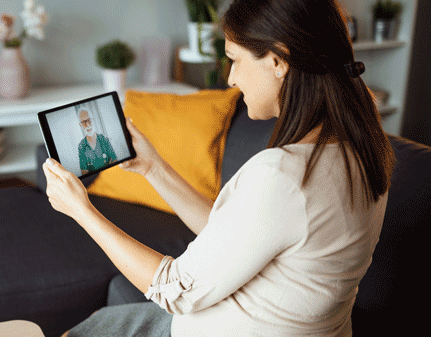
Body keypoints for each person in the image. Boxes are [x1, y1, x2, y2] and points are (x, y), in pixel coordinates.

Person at [42, 0, 395, 335]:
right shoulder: (366, 147)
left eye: (235, 60)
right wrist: (154, 169)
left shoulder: (284, 175)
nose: (231, 79)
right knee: (98, 322)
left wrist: (81, 210)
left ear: (277, 61)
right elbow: (234, 234)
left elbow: (174, 290)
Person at [76, 108, 117, 175]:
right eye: (83, 122)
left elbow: (114, 161)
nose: (88, 125)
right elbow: (84, 172)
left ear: (93, 120)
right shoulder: (81, 146)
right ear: (80, 125)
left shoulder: (104, 139)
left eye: (89, 120)